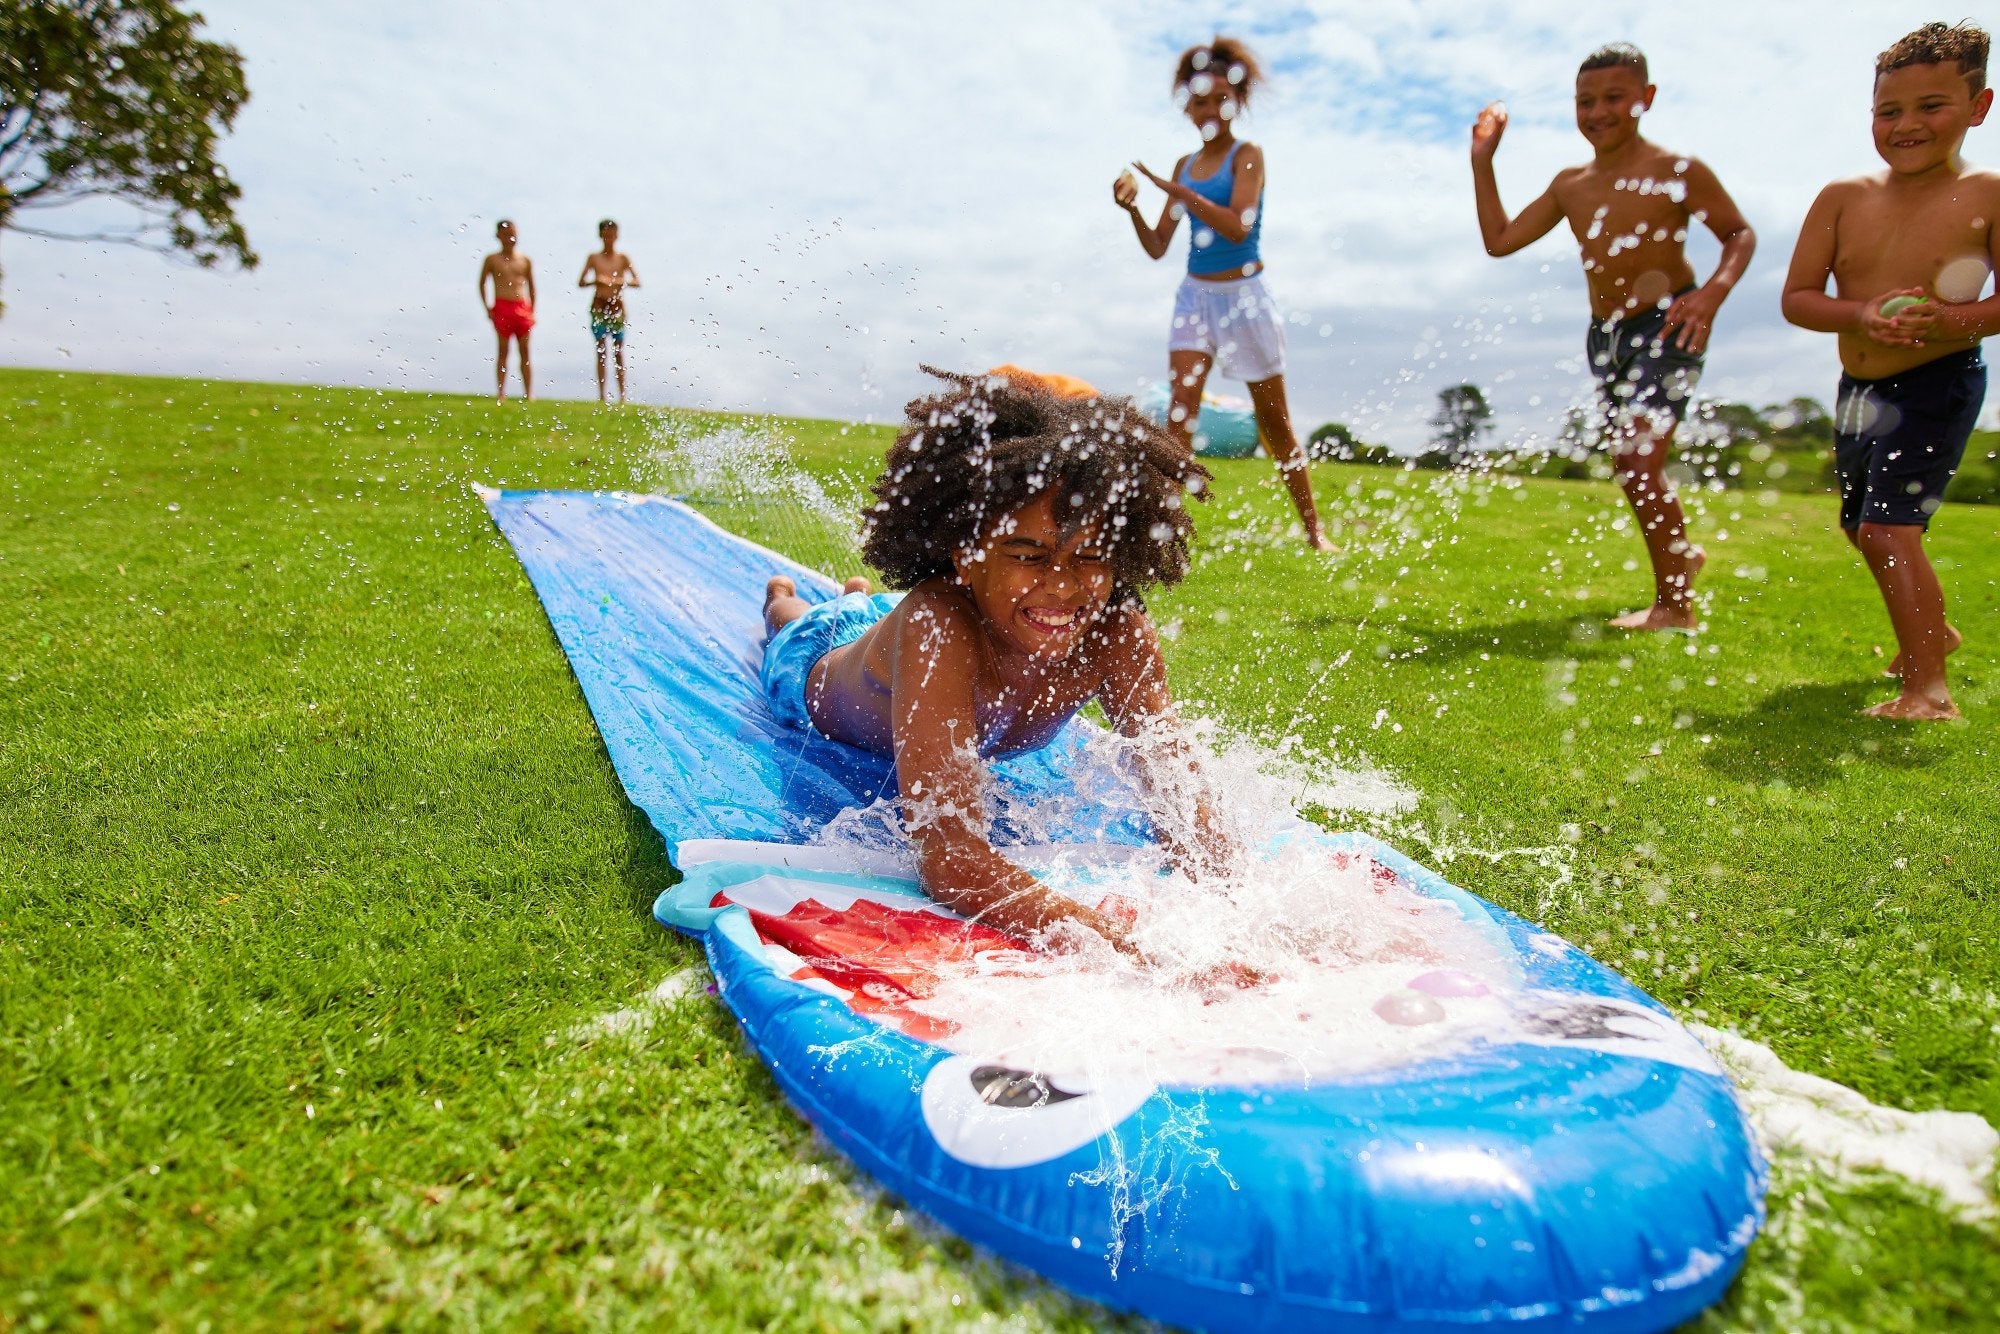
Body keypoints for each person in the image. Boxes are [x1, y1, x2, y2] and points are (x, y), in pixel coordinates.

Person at [760, 369, 1250, 979]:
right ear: (965, 554)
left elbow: (1176, 781)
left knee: (873, 610)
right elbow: (950, 857)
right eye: (1030, 555)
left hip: (924, 623)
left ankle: (861, 598)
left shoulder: (1115, 633)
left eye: (1092, 557)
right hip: (816, 663)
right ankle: (786, 598)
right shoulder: (939, 626)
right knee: (801, 622)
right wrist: (1125, 948)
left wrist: (1241, 906)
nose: (1065, 586)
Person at [1471, 44, 1756, 630]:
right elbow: (1499, 240)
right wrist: (1483, 160)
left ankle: (1675, 607)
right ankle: (1682, 561)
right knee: (1634, 465)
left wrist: (1711, 295)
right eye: (1585, 101)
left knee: (1636, 456)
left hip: (1669, 325)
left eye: (1613, 98)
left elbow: (1739, 234)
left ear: (1645, 99)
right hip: (1606, 337)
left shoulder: (1677, 170)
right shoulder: (1571, 184)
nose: (1598, 111)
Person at [1782, 22, 1996, 721]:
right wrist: (1861, 314)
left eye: (1931, 106)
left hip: (1939, 378)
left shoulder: (1988, 193)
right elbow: (1798, 299)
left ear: (1978, 106)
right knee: (1860, 524)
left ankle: (1928, 692)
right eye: (1888, 110)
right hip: (1860, 389)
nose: (1906, 124)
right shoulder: (1843, 196)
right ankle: (1931, 634)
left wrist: (1948, 321)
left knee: (1887, 529)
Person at [1112, 36, 1334, 551]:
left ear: (1235, 103)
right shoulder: (1183, 165)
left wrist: (1183, 195)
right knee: (1179, 412)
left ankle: (1314, 532)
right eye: (1198, 100)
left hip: (1245, 298)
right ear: (1187, 106)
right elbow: (1157, 245)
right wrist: (1131, 209)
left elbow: (1237, 227)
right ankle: (1160, 533)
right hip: (1195, 297)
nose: (1208, 109)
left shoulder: (1247, 156)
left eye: (1218, 99)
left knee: (1274, 424)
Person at [577, 219, 641, 405]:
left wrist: (619, 281)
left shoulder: (623, 258)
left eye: (612, 236)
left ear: (617, 236)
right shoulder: (593, 258)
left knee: (618, 351)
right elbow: (581, 282)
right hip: (599, 306)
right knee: (601, 351)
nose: (609, 239)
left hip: (617, 307)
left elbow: (637, 281)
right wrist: (597, 281)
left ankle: (622, 396)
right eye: (605, 236)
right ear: (600, 236)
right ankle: (602, 395)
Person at [478, 220, 536, 402]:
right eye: (506, 235)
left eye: (513, 234)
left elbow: (532, 287)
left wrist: (532, 309)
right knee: (503, 352)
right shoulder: (492, 259)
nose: (510, 238)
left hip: (522, 307)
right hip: (502, 306)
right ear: (498, 236)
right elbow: (481, 283)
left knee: (525, 352)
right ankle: (501, 393)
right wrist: (487, 307)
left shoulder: (525, 260)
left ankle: (529, 394)